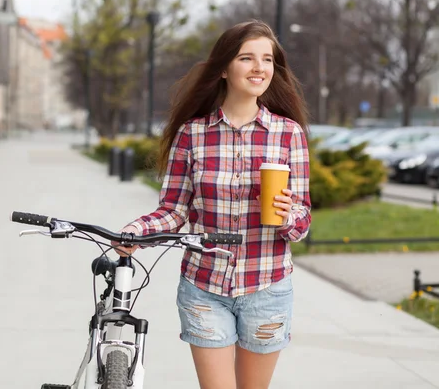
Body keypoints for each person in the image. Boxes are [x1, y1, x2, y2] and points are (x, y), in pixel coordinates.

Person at [114, 20, 311, 389]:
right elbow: (174, 211)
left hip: (266, 285)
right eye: (246, 58)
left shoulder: (289, 134)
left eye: (267, 59)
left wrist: (287, 216)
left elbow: (302, 222)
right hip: (204, 286)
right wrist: (136, 231)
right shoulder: (192, 133)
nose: (259, 68)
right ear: (224, 67)